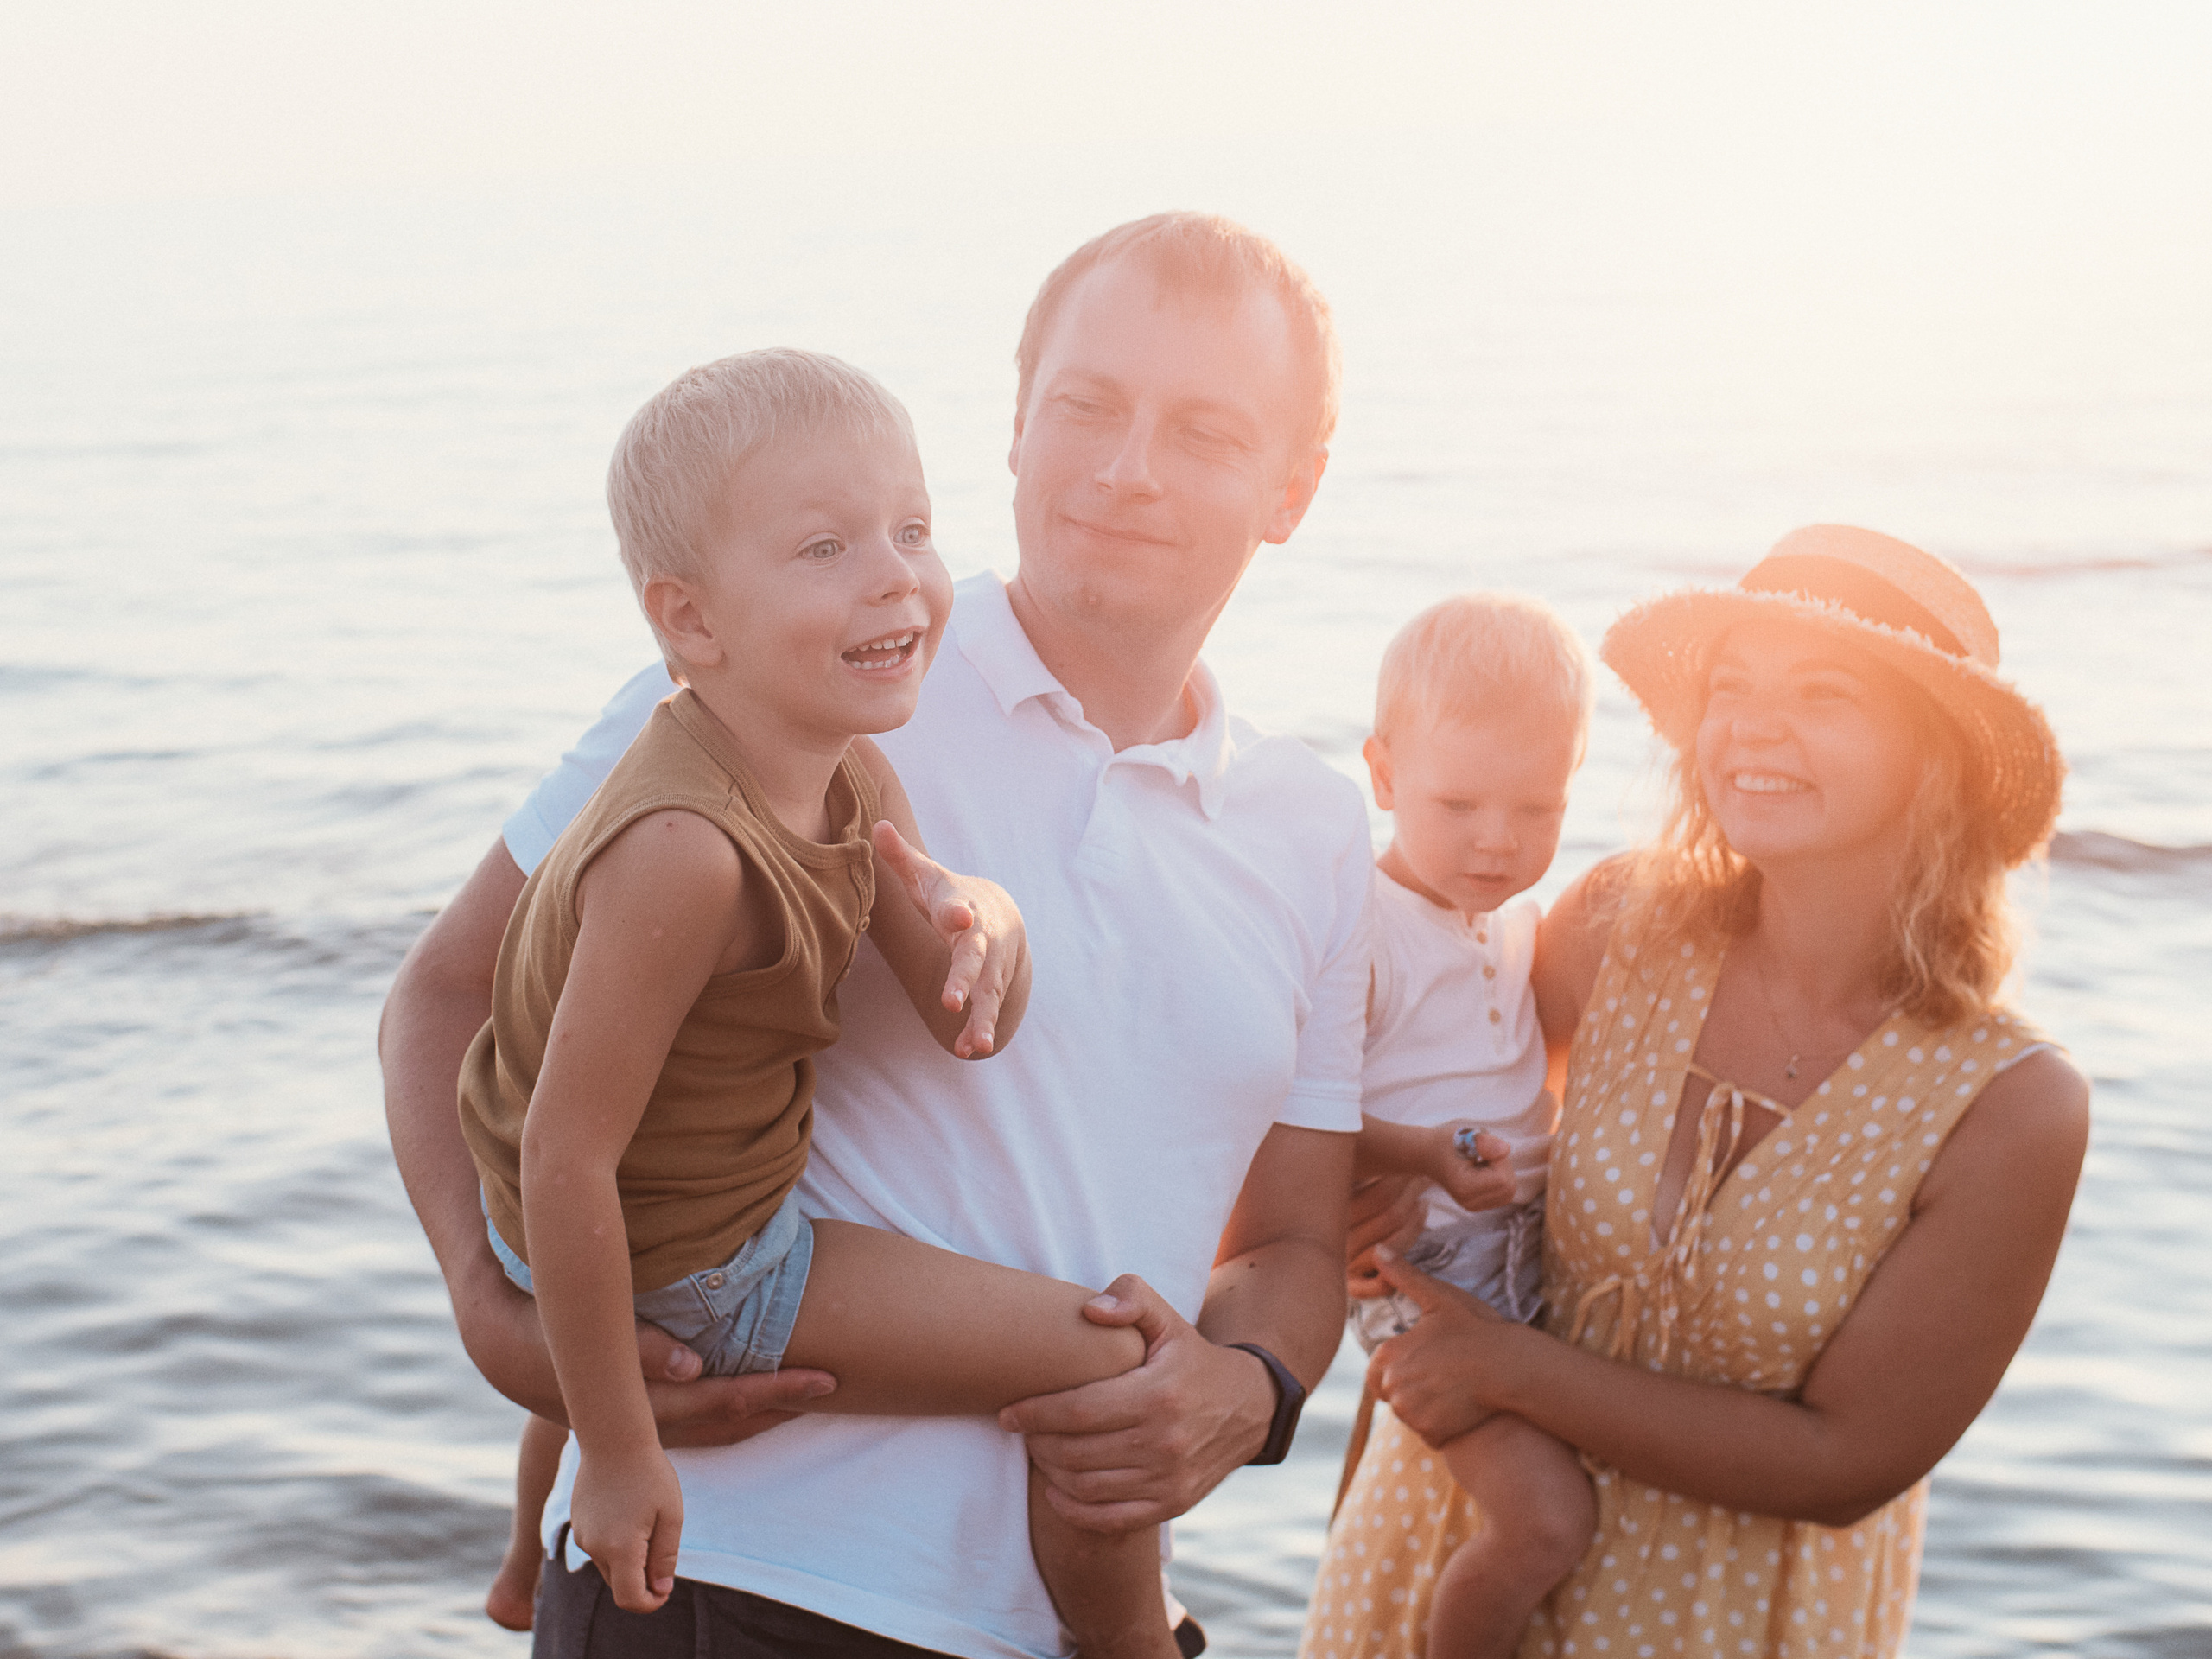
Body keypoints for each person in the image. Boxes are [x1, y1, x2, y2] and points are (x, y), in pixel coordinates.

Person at [378, 212, 1369, 1658]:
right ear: (1017, 429)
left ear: (1293, 488)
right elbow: (446, 996)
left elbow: (1291, 1240)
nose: (1126, 468)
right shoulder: (804, 671)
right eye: (1086, 406)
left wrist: (1249, 1388)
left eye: (1203, 430)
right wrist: (489, 1305)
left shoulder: (1317, 831)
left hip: (1051, 1625)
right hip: (726, 1585)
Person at [462, 345, 1192, 1655]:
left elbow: (969, 1021)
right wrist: (625, 1455)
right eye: (823, 549)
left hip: (603, 1207)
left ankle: (523, 1559)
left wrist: (992, 921)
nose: (897, 574)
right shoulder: (682, 851)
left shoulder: (846, 764)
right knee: (1112, 1365)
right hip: (690, 1257)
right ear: (690, 621)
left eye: (911, 528)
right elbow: (569, 1159)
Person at [1303, 525, 2089, 1659]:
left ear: (1937, 752)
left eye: (1823, 692)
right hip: (1436, 1558)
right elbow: (1453, 1142)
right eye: (1733, 685)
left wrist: (1516, 1368)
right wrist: (1351, 1216)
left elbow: (1845, 1463)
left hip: (1726, 1620)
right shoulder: (1619, 929)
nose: (1754, 725)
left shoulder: (2008, 1103)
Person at [1340, 594, 1599, 1658]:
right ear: (1386, 775)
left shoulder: (1519, 922)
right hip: (1422, 1280)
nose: (1498, 843)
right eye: (1458, 805)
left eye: (1535, 810)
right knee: (1547, 1522)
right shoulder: (1361, 931)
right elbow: (1292, 1113)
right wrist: (1419, 1154)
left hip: (1526, 1263)